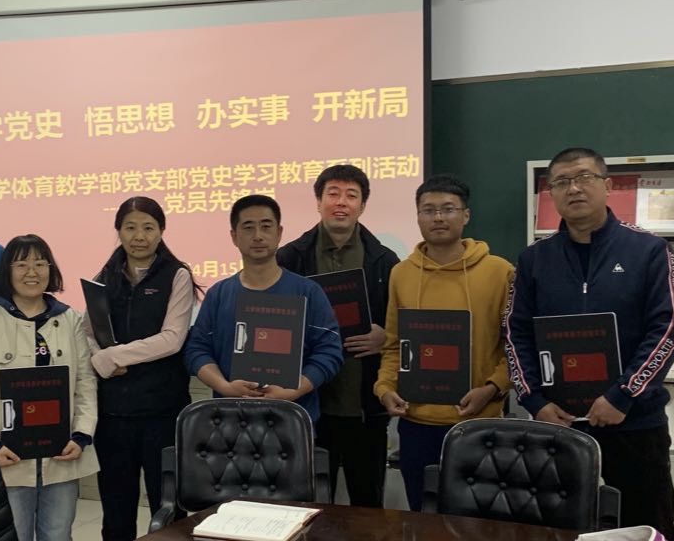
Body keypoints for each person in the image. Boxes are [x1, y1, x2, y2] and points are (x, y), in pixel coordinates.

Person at [504, 147, 674, 540]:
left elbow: (667, 329)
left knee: (646, 526)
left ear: (607, 185)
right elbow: (516, 334)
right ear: (551, 194)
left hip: (634, 423)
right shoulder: (534, 260)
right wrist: (534, 402)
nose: (574, 189)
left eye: (584, 177)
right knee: (558, 529)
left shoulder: (650, 250)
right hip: (559, 424)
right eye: (562, 182)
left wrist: (622, 395)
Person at [373, 174, 515, 511]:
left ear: (466, 215)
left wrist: (493, 388)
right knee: (423, 516)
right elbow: (394, 344)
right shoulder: (402, 273)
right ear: (418, 217)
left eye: (448, 209)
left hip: (478, 422)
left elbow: (514, 346)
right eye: (428, 210)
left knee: (479, 520)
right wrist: (385, 388)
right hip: (416, 424)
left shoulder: (500, 272)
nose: (438, 217)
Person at [277, 164, 400, 507]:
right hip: (309, 404)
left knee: (367, 505)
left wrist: (386, 337)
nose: (341, 202)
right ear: (319, 202)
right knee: (309, 505)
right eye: (333, 194)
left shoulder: (385, 261)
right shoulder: (290, 258)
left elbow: (403, 323)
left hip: (364, 405)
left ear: (362, 206)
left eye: (351, 195)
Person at [0, 235, 99, 541]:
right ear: (7, 272)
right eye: (22, 264)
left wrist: (81, 434)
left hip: (63, 454)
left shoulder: (70, 320)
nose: (32, 272)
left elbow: (85, 384)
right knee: (14, 534)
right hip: (7, 456)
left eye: (40, 263)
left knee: (58, 534)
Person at [87, 196, 199, 541]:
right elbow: (88, 332)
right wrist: (98, 357)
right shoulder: (104, 277)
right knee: (115, 510)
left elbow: (172, 339)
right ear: (118, 231)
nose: (139, 236)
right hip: (113, 415)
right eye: (130, 227)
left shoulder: (177, 275)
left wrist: (113, 357)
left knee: (168, 510)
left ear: (161, 231)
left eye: (148, 227)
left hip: (162, 412)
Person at [183, 194, 344, 423]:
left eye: (266, 226)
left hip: (292, 420)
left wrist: (294, 390)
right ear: (234, 236)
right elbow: (197, 350)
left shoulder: (308, 292)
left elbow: (329, 352)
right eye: (248, 227)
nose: (258, 236)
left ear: (279, 233)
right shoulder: (219, 294)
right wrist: (225, 387)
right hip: (229, 420)